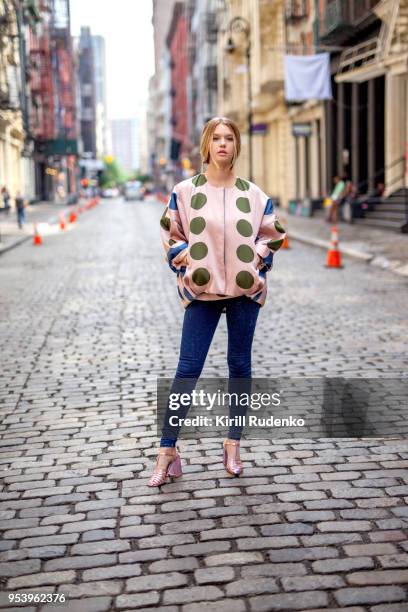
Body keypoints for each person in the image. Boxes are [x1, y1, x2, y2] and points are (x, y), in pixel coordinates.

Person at [148, 116, 287, 487]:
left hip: (244, 293)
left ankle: (233, 445)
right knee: (187, 369)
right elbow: (170, 233)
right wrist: (190, 266)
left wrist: (255, 263)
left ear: (237, 146)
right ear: (206, 145)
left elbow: (272, 235)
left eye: (229, 138)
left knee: (239, 367)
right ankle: (167, 451)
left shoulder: (254, 195)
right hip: (203, 292)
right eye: (216, 138)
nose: (223, 144)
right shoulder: (185, 191)